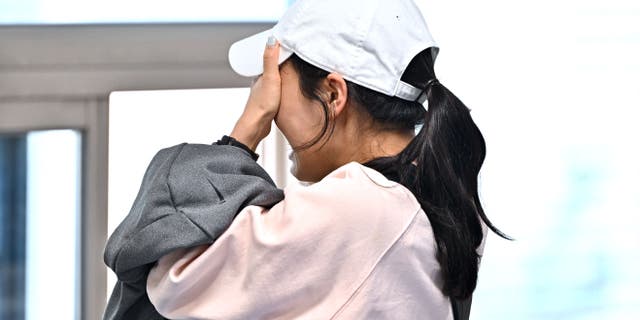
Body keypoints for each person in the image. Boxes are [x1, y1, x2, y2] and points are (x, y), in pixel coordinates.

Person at [104, 0, 509, 319]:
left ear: (333, 94)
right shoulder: (432, 198)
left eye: (278, 84)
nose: (273, 106)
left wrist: (244, 133)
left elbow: (175, 278)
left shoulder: (364, 209)